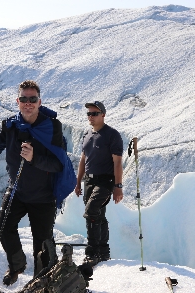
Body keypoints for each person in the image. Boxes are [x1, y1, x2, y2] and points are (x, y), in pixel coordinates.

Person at [0, 80, 64, 286]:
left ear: (39, 101)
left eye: (32, 99)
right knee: (2, 225)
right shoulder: (9, 125)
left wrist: (34, 158)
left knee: (42, 243)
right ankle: (17, 266)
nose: (28, 103)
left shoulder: (51, 127)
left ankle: (42, 280)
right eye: (24, 99)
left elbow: (58, 163)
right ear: (17, 101)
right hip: (17, 190)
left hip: (43, 195)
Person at [74, 101, 124, 266]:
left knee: (92, 210)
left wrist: (118, 187)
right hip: (89, 180)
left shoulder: (112, 135)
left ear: (103, 114)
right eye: (89, 113)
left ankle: (92, 252)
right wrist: (78, 181)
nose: (91, 116)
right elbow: (83, 159)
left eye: (94, 113)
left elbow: (117, 163)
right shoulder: (87, 134)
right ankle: (103, 253)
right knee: (98, 215)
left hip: (105, 180)